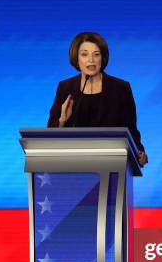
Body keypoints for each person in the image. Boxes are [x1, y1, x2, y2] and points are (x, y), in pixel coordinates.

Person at [48, 31, 148, 166]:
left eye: (96, 54)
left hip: (112, 164)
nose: (91, 60)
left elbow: (131, 130)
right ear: (76, 58)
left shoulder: (120, 88)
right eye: (84, 54)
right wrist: (62, 121)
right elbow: (50, 136)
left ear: (103, 58)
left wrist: (139, 152)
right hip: (74, 164)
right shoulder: (65, 87)